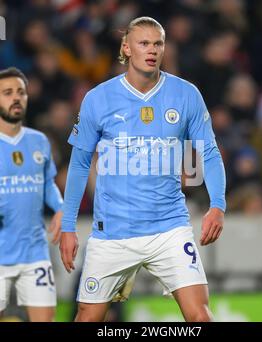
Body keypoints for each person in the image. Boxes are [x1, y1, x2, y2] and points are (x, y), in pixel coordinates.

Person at [60, 17, 226, 322]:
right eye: (144, 43)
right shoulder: (98, 99)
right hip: (112, 232)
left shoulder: (186, 94)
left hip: (169, 228)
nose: (152, 50)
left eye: (158, 43)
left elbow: (210, 152)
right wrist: (69, 226)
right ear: (127, 47)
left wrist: (218, 204)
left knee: (200, 316)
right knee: (87, 317)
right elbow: (80, 163)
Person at [0, 67, 63, 322]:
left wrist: (59, 208)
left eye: (21, 92)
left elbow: (47, 182)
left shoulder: (39, 141)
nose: (16, 98)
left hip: (34, 251)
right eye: (7, 93)